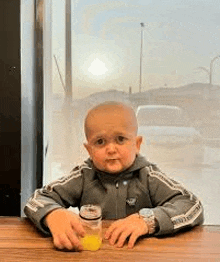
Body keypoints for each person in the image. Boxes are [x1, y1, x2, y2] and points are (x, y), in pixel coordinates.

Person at [24, 101, 204, 251]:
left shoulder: (149, 176)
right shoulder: (83, 175)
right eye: (100, 142)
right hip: (94, 254)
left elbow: (192, 206)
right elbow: (36, 200)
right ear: (89, 149)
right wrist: (53, 214)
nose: (111, 149)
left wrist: (147, 221)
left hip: (140, 255)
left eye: (120, 139)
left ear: (137, 144)